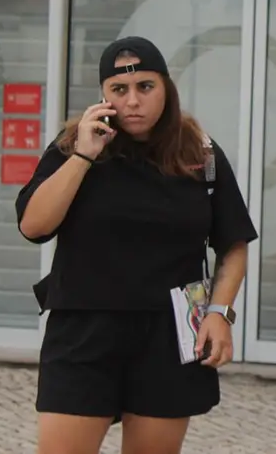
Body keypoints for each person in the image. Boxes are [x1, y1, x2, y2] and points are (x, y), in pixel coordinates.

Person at [16, 36, 259, 454]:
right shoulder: (75, 144)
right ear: (104, 95)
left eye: (145, 87)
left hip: (169, 334)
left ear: (166, 88)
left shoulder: (199, 152)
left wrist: (220, 313)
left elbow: (234, 243)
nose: (132, 101)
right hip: (84, 329)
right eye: (119, 90)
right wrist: (83, 156)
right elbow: (34, 226)